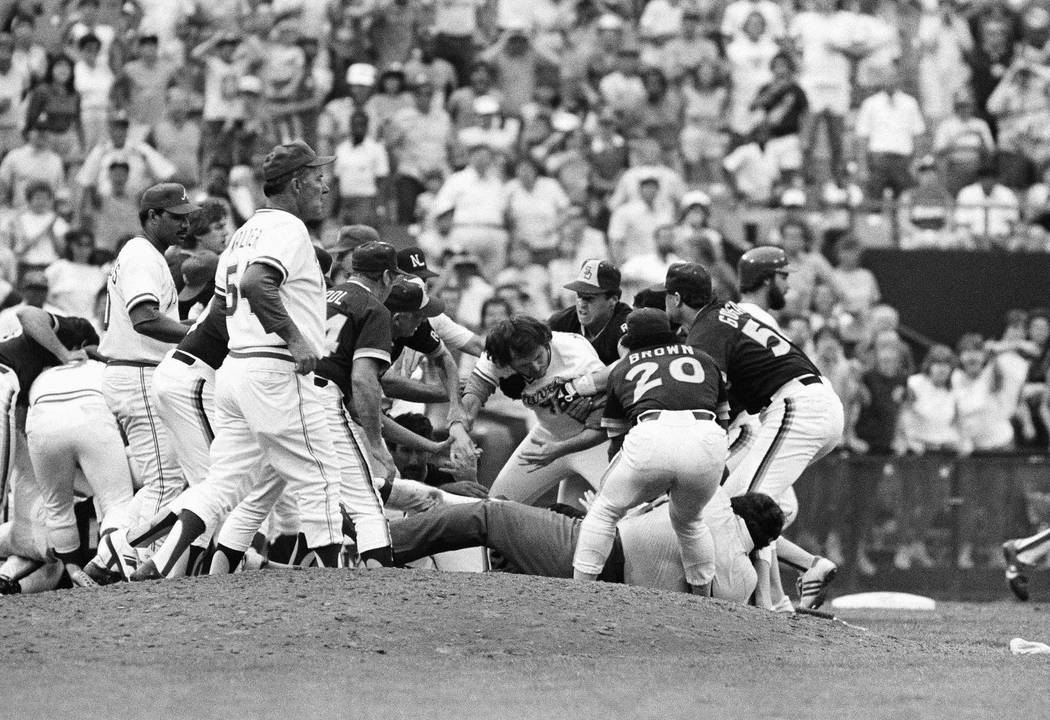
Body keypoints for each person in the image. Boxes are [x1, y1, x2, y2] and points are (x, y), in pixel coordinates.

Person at [132, 141, 348, 580]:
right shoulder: (287, 229)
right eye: (317, 177)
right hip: (274, 368)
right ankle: (336, 583)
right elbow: (256, 282)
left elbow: (231, 297)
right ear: (296, 182)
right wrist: (296, 339)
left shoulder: (243, 233)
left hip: (236, 370)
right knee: (320, 474)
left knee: (225, 481)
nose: (324, 186)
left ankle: (160, 562)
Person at [664, 262, 843, 608]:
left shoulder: (706, 328)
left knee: (745, 511)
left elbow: (707, 391)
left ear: (675, 298)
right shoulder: (726, 314)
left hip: (797, 405)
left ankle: (768, 602)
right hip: (808, 403)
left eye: (665, 298)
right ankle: (786, 589)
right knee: (731, 506)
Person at [562, 308, 727, 596]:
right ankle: (705, 601)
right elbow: (723, 420)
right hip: (707, 437)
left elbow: (617, 441)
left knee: (604, 511)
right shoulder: (704, 358)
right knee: (690, 522)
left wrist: (638, 482)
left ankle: (579, 592)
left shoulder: (623, 367)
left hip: (651, 433)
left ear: (630, 338)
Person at [388, 488, 783, 602]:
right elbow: (761, 611)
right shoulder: (745, 574)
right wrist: (761, 561)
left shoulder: (711, 503)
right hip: (618, 587)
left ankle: (383, 545)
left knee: (492, 514)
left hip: (601, 554)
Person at [96, 182, 195, 559]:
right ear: (152, 216)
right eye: (176, 217)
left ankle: (109, 554)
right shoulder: (141, 254)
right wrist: (195, 330)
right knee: (166, 480)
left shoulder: (147, 254)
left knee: (166, 478)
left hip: (136, 370)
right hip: (138, 372)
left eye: (187, 217)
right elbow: (144, 319)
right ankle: (131, 559)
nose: (185, 225)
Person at [458, 315, 609, 507]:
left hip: (593, 442)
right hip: (547, 436)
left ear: (546, 342)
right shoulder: (498, 355)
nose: (536, 367)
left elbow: (608, 412)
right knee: (496, 506)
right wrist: (461, 434)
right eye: (524, 365)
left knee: (626, 513)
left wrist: (565, 446)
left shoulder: (574, 352)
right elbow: (474, 393)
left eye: (538, 357)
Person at [26, 359, 133, 588]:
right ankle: (106, 567)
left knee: (57, 508)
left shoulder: (41, 373)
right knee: (116, 501)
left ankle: (76, 576)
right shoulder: (99, 366)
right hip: (91, 412)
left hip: (42, 419)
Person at [548, 259, 631, 366]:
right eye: (579, 295)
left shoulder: (626, 321)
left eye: (589, 298)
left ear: (613, 300)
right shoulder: (561, 322)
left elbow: (629, 363)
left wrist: (586, 381)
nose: (581, 303)